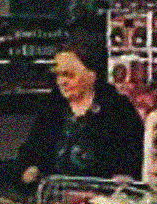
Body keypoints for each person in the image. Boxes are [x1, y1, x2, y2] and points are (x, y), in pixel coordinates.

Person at [17, 32, 144, 188]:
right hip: (54, 196)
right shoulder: (52, 107)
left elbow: (132, 158)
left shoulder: (117, 109)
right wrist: (30, 168)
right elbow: (33, 148)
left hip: (100, 198)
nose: (61, 81)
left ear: (92, 75)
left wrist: (123, 176)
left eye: (69, 75)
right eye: (58, 75)